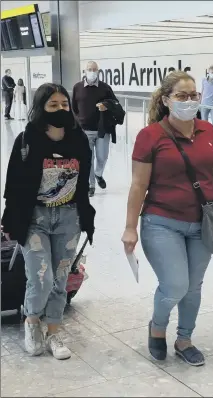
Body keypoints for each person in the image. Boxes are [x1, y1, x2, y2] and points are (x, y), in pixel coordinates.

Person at [122, 71, 213, 367]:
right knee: (176, 284)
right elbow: (139, 184)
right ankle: (157, 327)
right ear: (166, 100)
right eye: (181, 96)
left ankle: (185, 338)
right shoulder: (150, 136)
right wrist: (129, 227)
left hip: (202, 222)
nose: (189, 101)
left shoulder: (208, 131)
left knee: (194, 286)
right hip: (161, 221)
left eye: (194, 95)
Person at [1, 83, 95, 360]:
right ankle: (31, 322)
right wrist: (10, 220)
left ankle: (53, 329)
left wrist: (85, 217)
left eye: (64, 105)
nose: (60, 109)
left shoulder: (78, 140)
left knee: (60, 278)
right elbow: (13, 184)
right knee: (40, 277)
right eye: (53, 105)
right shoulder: (27, 139)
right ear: (41, 107)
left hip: (68, 218)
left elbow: (84, 183)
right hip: (35, 219)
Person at [72, 60, 117, 197]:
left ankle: (98, 174)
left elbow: (115, 104)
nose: (92, 71)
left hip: (102, 130)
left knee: (102, 157)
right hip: (85, 130)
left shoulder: (105, 88)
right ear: (84, 71)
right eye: (89, 69)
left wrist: (106, 106)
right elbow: (73, 107)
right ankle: (91, 185)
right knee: (88, 159)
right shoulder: (77, 87)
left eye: (94, 69)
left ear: (98, 71)